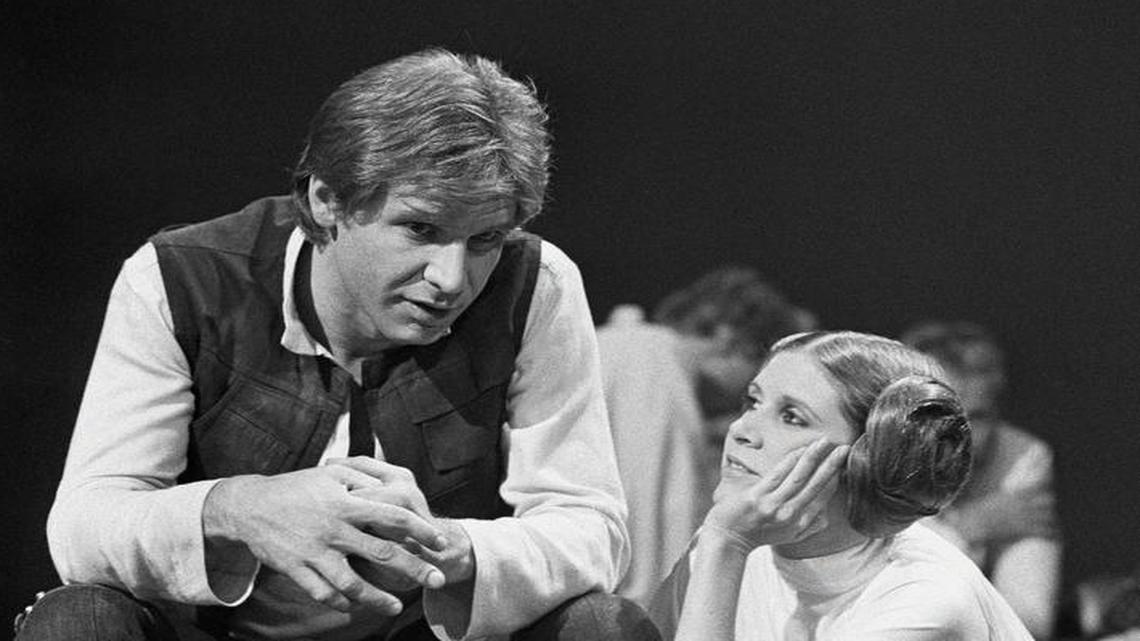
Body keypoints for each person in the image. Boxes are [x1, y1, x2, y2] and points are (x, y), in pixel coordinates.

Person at [19, 49, 658, 641]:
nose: (451, 279)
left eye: (485, 239)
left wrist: (454, 546)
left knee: (602, 626)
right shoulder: (181, 278)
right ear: (326, 199)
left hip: (423, 632)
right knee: (77, 620)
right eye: (420, 228)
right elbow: (83, 527)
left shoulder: (536, 285)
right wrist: (239, 509)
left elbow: (591, 529)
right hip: (214, 634)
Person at [650, 331, 1034, 640]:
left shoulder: (925, 597)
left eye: (792, 417)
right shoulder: (728, 544)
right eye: (753, 402)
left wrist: (725, 546)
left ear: (869, 456)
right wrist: (722, 546)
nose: (741, 430)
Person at [595, 267, 816, 607]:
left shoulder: (624, 345)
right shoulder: (654, 370)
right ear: (730, 339)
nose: (751, 403)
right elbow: (650, 543)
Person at [901, 320, 1062, 639]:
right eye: (942, 416)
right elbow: (890, 610)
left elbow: (1029, 623)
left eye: (978, 417)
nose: (962, 436)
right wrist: (968, 527)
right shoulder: (870, 458)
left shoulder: (1022, 456)